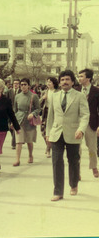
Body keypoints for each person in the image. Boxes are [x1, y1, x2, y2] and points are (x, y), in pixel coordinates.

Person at [46, 70, 89, 201]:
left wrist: (81, 129)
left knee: (73, 161)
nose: (65, 82)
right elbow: (50, 116)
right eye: (62, 79)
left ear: (72, 81)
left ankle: (73, 184)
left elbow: (85, 115)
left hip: (74, 134)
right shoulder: (54, 96)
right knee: (57, 161)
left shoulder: (79, 96)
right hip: (56, 133)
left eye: (67, 79)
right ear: (59, 82)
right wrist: (48, 133)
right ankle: (58, 191)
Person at [13, 78, 41, 166]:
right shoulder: (17, 96)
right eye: (21, 85)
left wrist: (33, 114)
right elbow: (15, 110)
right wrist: (13, 121)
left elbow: (38, 108)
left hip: (29, 121)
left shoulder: (34, 96)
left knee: (29, 140)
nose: (23, 86)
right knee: (18, 141)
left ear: (28, 85)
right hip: (19, 120)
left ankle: (30, 155)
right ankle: (17, 159)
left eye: (25, 84)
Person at [77, 68, 99, 178]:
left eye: (81, 76)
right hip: (77, 123)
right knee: (77, 148)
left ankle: (94, 166)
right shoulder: (75, 90)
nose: (79, 78)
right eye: (79, 76)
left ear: (88, 78)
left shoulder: (96, 91)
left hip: (92, 123)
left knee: (92, 148)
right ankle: (77, 171)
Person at [39, 77, 59, 158]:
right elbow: (39, 104)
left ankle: (48, 149)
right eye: (47, 82)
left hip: (55, 113)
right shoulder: (44, 92)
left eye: (50, 82)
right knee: (43, 131)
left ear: (54, 83)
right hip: (46, 113)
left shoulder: (58, 92)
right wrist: (43, 98)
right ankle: (48, 145)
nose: (48, 83)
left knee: (52, 131)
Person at [6, 78, 20, 150]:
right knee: (10, 127)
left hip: (18, 112)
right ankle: (15, 138)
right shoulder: (9, 91)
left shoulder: (21, 91)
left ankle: (14, 143)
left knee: (15, 126)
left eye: (17, 83)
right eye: (14, 83)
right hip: (9, 111)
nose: (16, 85)